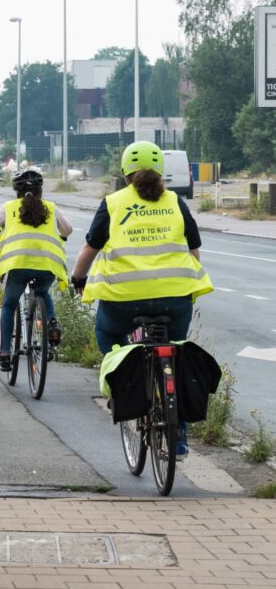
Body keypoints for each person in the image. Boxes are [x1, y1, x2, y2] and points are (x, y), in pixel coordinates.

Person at [70, 140, 214, 457]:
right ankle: (178, 440)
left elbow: (89, 250)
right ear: (160, 171)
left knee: (108, 333)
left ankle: (125, 384)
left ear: (125, 173)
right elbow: (194, 250)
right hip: (175, 299)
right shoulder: (176, 202)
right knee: (174, 353)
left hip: (124, 300)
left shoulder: (113, 203)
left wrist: (78, 279)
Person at [0, 168, 72, 370]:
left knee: (9, 305)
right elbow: (68, 230)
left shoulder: (9, 207)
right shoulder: (51, 207)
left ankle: (5, 353)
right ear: (40, 190)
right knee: (42, 291)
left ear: (17, 191)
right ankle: (52, 322)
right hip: (47, 265)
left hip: (18, 264)